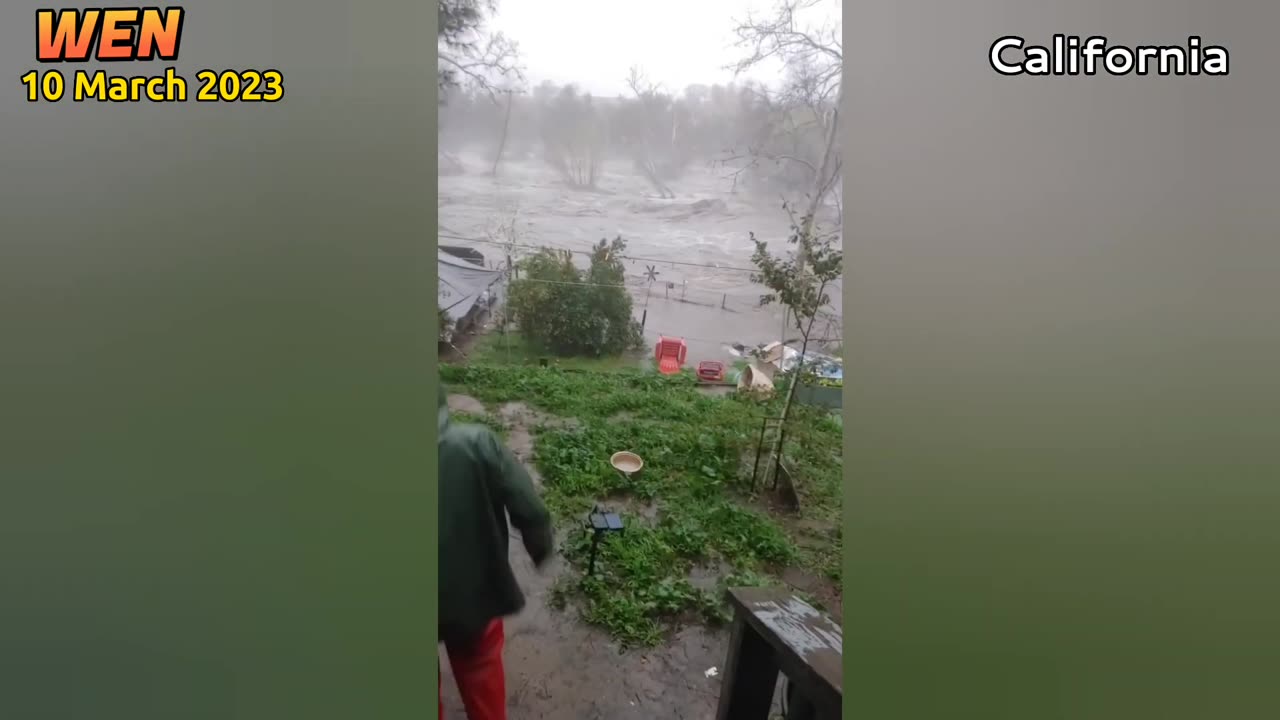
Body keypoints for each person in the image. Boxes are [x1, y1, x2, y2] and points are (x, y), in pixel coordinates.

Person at [438, 384, 553, 720]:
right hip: (473, 597)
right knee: (479, 665)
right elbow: (529, 507)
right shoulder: (475, 443)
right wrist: (540, 547)